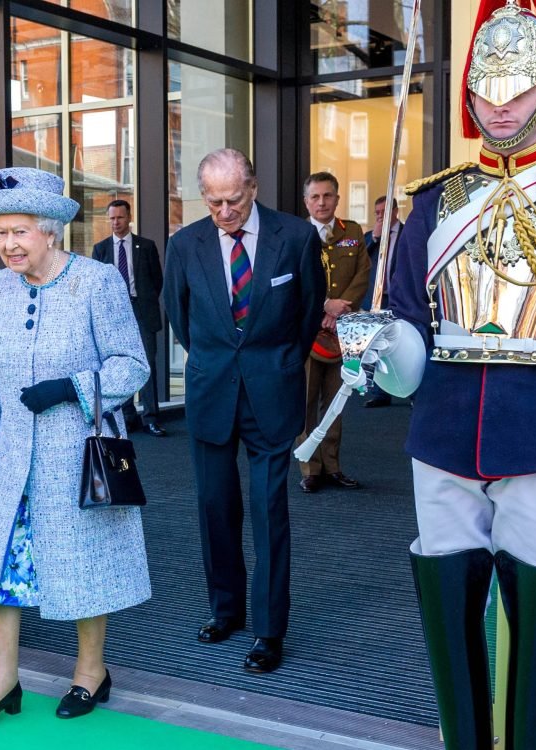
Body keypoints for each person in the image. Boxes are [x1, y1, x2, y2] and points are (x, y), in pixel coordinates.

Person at [383, 1, 536, 745]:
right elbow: (412, 320)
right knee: (447, 612)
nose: (500, 107)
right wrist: (378, 351)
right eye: (487, 90)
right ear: (469, 95)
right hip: (443, 429)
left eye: (516, 91)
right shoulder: (431, 201)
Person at [0, 165, 151, 730]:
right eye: (1, 233)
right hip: (15, 454)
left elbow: (133, 365)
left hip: (79, 452)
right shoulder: (0, 287)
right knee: (3, 568)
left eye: (20, 231)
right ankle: (3, 681)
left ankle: (90, 672)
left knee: (82, 563)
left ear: (50, 232)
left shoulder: (96, 281)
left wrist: (69, 388)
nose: (9, 244)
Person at [163, 148, 325, 673]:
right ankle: (225, 610)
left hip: (272, 393)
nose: (224, 212)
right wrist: (217, 359)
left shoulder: (295, 237)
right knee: (215, 508)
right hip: (212, 392)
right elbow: (179, 318)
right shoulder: (184, 245)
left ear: (252, 188)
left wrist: (276, 362)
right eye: (213, 202)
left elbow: (306, 317)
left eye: (233, 200)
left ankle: (268, 630)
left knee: (268, 511)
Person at [296, 172, 369, 493]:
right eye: (315, 197)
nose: (322, 202)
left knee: (336, 402)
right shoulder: (294, 234)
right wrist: (324, 305)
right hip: (308, 332)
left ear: (337, 199)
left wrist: (342, 306)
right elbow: (291, 281)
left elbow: (363, 273)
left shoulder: (352, 232)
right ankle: (311, 468)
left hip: (343, 332)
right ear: (306, 202)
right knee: (306, 402)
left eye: (328, 196)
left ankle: (333, 466)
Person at [92, 199, 166, 436]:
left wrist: (144, 299)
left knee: (148, 364)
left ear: (129, 217)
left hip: (141, 310)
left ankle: (151, 418)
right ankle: (127, 416)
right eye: (112, 218)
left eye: (120, 217)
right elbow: (97, 285)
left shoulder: (146, 246)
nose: (115, 222)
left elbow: (157, 280)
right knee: (118, 363)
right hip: (114, 314)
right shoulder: (101, 249)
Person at [361, 196, 403, 408]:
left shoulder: (407, 234)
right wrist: (375, 239)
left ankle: (409, 392)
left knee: (401, 345)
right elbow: (361, 263)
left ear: (395, 212)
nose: (380, 216)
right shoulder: (369, 236)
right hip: (376, 299)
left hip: (398, 299)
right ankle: (379, 393)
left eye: (383, 212)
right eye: (377, 213)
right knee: (375, 346)